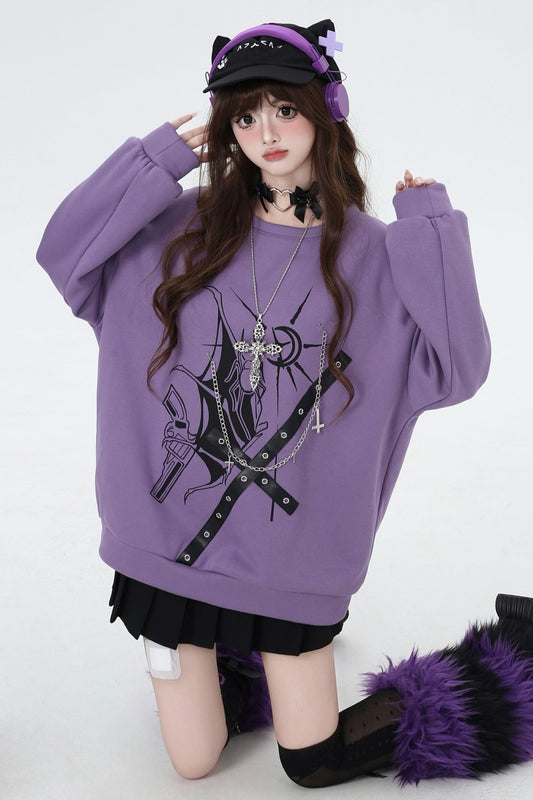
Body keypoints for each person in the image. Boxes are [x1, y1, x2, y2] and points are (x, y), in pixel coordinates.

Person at [36, 18, 533, 789]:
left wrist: (430, 228)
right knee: (195, 763)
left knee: (312, 764)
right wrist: (152, 163)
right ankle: (225, 662)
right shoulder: (176, 229)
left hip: (291, 567)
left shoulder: (374, 255)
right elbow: (62, 251)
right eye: (244, 115)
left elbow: (458, 368)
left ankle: (512, 668)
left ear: (324, 111)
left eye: (284, 109)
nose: (265, 132)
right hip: (160, 551)